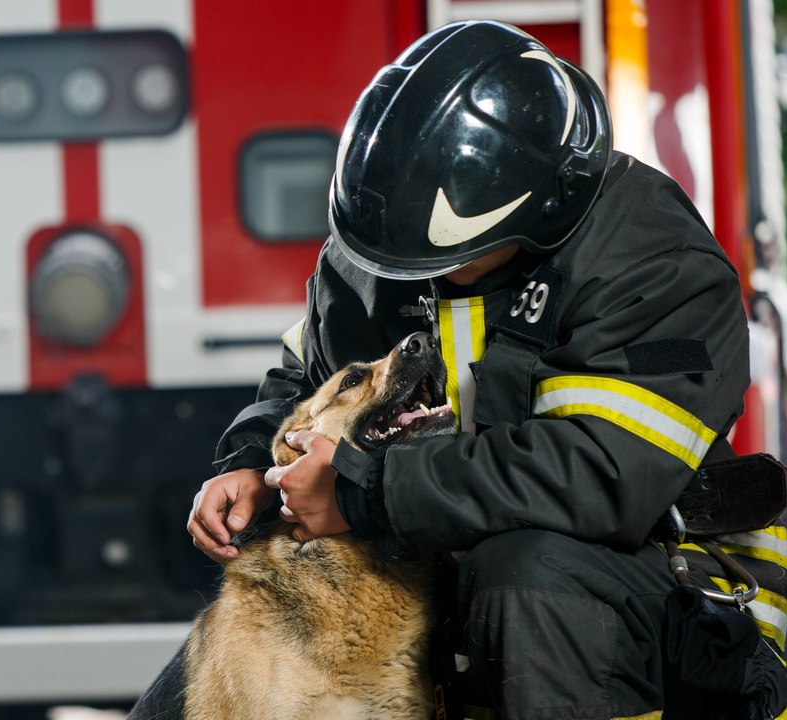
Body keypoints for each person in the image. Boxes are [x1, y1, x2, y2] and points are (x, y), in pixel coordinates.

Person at [189, 20, 754, 720]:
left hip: (663, 579)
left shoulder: (649, 256)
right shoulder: (387, 248)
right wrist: (253, 464)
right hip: (444, 568)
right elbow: (311, 379)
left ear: (535, 208)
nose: (412, 275)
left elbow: (599, 474)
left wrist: (363, 494)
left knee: (528, 578)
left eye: (441, 257)